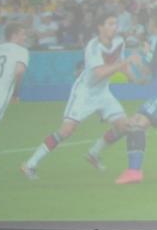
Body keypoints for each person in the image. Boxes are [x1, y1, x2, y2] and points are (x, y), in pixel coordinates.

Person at [20, 14, 137, 179]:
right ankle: (30, 164)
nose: (115, 27)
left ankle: (93, 154)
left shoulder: (119, 42)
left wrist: (134, 78)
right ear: (100, 27)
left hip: (103, 92)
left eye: (115, 24)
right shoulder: (93, 46)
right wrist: (123, 64)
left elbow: (122, 64)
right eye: (110, 24)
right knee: (66, 130)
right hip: (85, 92)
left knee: (124, 126)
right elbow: (99, 72)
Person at [85, 8, 157, 184]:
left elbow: (147, 70)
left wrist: (136, 59)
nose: (147, 24)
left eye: (149, 21)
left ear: (153, 23)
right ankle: (95, 152)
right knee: (131, 123)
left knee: (137, 125)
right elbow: (155, 69)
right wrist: (145, 58)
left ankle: (134, 171)